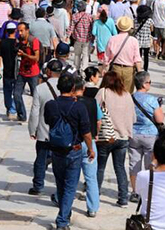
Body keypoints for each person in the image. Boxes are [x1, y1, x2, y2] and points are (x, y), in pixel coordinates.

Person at [44, 74, 94, 230]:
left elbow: (48, 121)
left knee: (60, 183)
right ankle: (62, 220)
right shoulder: (79, 106)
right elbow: (86, 131)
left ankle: (65, 213)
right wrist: (91, 148)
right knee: (70, 186)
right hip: (74, 150)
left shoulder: (51, 105)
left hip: (57, 149)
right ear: (73, 88)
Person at [96, 69, 134, 206]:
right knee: (120, 168)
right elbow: (132, 117)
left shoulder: (103, 92)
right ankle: (123, 198)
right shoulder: (127, 95)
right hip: (123, 137)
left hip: (106, 136)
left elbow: (95, 111)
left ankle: (95, 194)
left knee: (100, 167)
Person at [27, 59, 63, 196]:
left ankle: (38, 185)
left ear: (48, 71)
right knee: (60, 162)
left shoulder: (40, 88)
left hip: (44, 130)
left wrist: (32, 129)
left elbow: (35, 111)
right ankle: (59, 188)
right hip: (60, 132)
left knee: (40, 159)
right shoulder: (65, 86)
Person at [128, 71, 165, 204]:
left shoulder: (130, 98)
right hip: (150, 134)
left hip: (134, 133)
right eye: (149, 82)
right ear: (144, 84)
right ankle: (149, 191)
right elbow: (160, 119)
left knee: (134, 163)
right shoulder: (152, 100)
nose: (150, 84)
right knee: (150, 163)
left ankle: (134, 192)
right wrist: (160, 107)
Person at [79, 66, 104, 218]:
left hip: (74, 143)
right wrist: (96, 133)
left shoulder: (73, 102)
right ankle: (93, 207)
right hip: (89, 142)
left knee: (71, 176)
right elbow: (99, 120)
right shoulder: (92, 102)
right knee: (91, 177)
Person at [104, 16, 143, 93]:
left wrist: (104, 69)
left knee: (114, 91)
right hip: (129, 70)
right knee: (127, 93)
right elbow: (137, 59)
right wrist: (139, 73)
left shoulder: (112, 39)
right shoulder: (133, 41)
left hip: (115, 68)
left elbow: (107, 57)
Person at [12, 22, 41, 122]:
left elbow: (36, 58)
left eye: (21, 31)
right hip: (22, 72)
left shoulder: (34, 41)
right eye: (18, 31)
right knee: (16, 94)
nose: (20, 33)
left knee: (36, 96)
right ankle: (22, 115)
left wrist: (24, 54)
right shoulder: (18, 41)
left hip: (33, 72)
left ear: (27, 30)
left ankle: (39, 116)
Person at [0, 22, 19, 120]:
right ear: (15, 31)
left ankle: (9, 108)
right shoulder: (18, 43)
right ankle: (13, 109)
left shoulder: (2, 43)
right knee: (16, 91)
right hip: (16, 71)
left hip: (6, 70)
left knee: (7, 90)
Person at [70, 0, 95, 71]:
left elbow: (71, 27)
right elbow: (92, 27)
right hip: (87, 39)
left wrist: (68, 36)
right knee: (85, 55)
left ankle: (76, 68)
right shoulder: (89, 16)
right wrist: (93, 38)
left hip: (77, 39)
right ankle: (84, 69)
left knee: (77, 55)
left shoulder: (74, 16)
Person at [134, 4, 154, 72]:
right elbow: (152, 29)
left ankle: (138, 68)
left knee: (138, 56)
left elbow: (134, 28)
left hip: (137, 40)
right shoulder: (149, 20)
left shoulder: (136, 19)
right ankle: (145, 69)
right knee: (146, 56)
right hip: (146, 40)